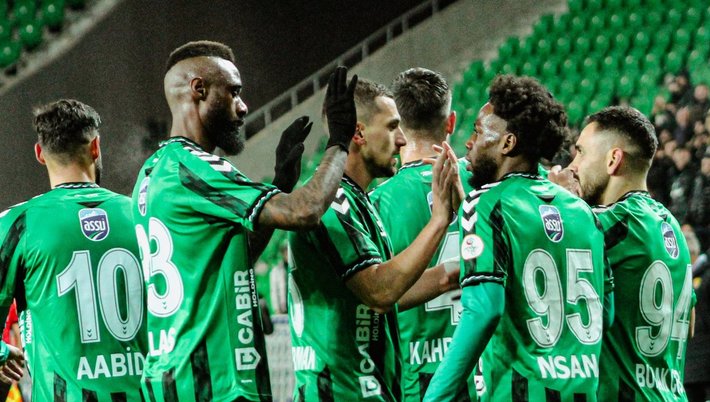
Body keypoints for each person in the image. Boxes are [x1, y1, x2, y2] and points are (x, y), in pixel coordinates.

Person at [133, 40, 356, 401]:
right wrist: (340, 141)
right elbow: (306, 210)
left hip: (176, 378)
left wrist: (280, 183)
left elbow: (232, 261)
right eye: (233, 92)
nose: (243, 106)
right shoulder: (195, 166)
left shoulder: (152, 171)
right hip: (215, 383)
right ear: (199, 89)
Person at [425, 75, 609, 401]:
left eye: (478, 131)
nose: (469, 143)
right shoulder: (584, 213)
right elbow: (606, 313)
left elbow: (483, 310)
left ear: (507, 143)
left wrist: (435, 397)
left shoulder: (486, 203)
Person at [288, 78, 461, 401]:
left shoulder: (358, 200)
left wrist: (453, 272)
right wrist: (440, 219)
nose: (401, 140)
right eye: (393, 127)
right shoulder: (333, 200)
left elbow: (390, 295)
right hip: (340, 393)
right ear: (359, 133)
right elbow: (379, 292)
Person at [0, 99, 147, 400]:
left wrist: (2, 352)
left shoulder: (18, 224)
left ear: (40, 154)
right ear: (95, 147)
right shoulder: (143, 213)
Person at [553, 106, 693, 401]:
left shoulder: (603, 225)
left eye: (581, 153)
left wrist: (552, 202)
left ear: (613, 159)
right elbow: (689, 323)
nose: (572, 166)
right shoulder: (672, 227)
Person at [370, 67, 477, 401]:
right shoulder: (484, 185)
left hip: (420, 378)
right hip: (483, 372)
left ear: (398, 129)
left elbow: (374, 298)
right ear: (451, 122)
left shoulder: (376, 203)